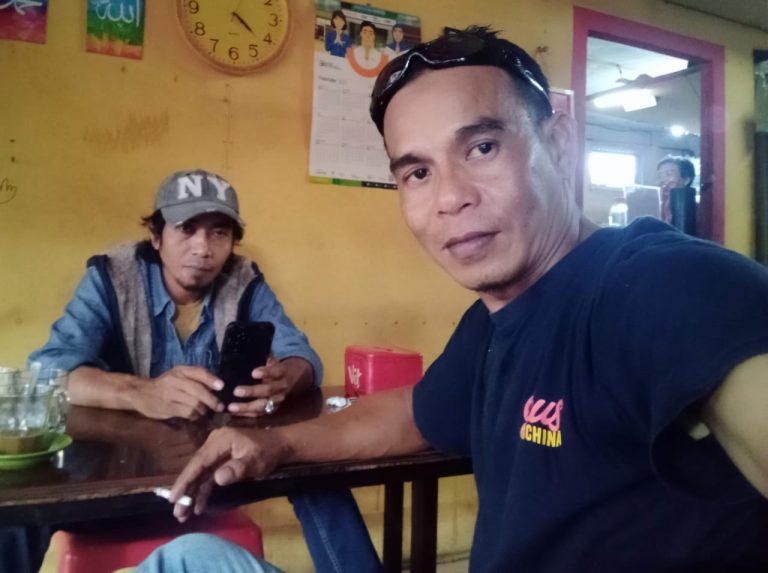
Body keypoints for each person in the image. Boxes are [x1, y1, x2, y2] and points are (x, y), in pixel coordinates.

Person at [142, 27, 768, 572]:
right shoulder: (491, 324)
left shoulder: (664, 283)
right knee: (187, 557)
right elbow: (417, 412)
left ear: (558, 144)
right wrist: (275, 445)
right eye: (418, 172)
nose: (450, 197)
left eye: (482, 147)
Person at [4, 169, 380, 573]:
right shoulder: (112, 277)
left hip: (216, 476)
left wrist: (285, 378)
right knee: (16, 501)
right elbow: (50, 367)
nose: (203, 248)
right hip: (115, 484)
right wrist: (139, 392)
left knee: (317, 474)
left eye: (219, 232)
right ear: (156, 236)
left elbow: (303, 356)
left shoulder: (243, 279)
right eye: (186, 228)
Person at [657, 155, 696, 233]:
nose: (663, 180)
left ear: (686, 180)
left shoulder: (696, 208)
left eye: (669, 174)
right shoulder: (658, 203)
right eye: (660, 176)